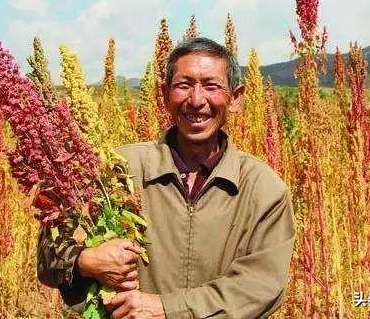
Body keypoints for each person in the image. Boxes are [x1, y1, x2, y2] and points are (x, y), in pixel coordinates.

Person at [37, 37, 296, 319]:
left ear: (235, 98)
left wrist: (166, 309)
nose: (197, 101)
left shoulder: (263, 188)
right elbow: (48, 254)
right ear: (164, 95)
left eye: (211, 86)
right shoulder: (118, 170)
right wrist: (83, 261)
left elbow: (261, 286)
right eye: (184, 85)